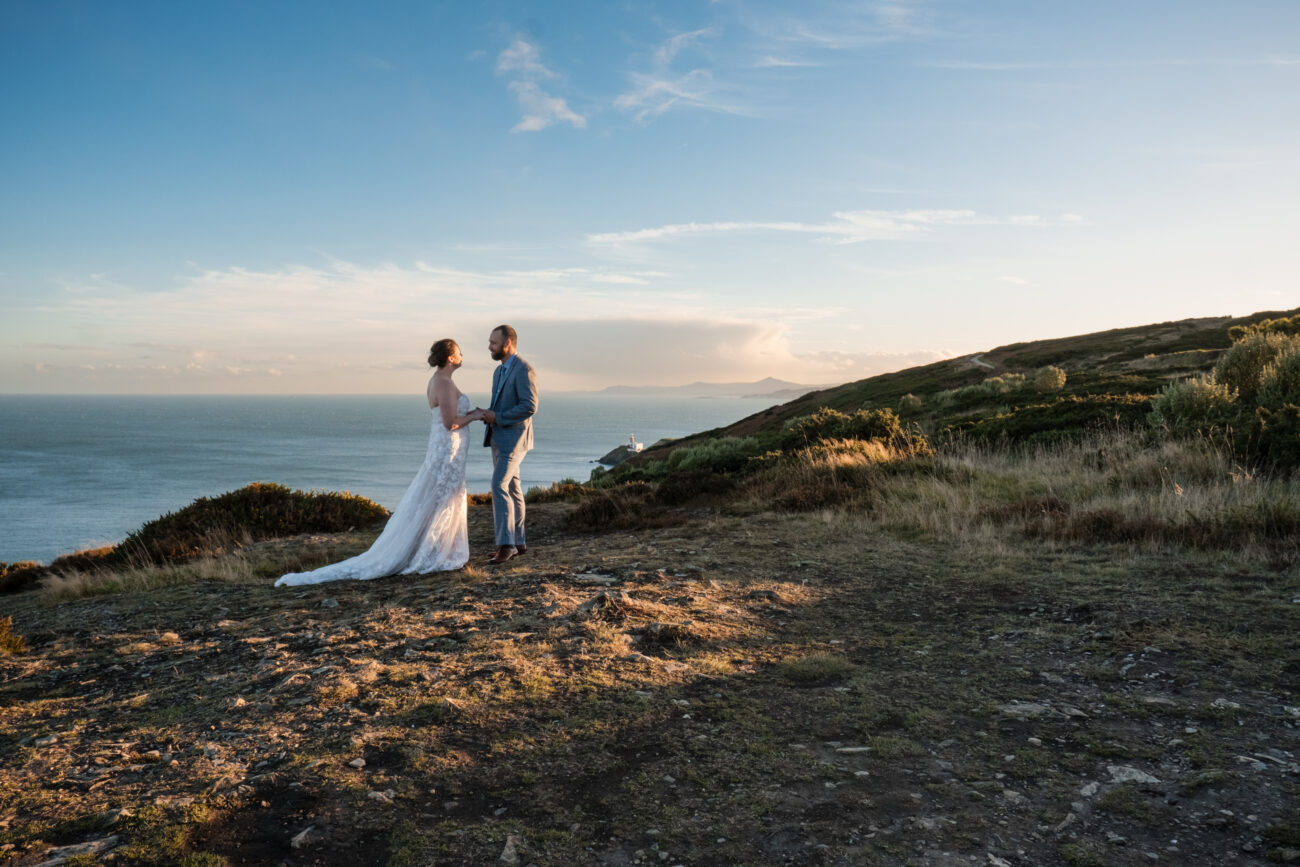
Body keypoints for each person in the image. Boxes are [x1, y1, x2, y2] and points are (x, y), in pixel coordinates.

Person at [275, 339, 483, 586]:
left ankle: (437, 547)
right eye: (459, 352)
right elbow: (451, 422)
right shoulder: (444, 382)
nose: (462, 356)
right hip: (447, 450)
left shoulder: (438, 381)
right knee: (441, 498)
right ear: (450, 357)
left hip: (444, 449)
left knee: (434, 498)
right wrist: (476, 415)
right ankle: (435, 551)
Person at [478, 324, 538, 565]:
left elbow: (529, 406)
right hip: (498, 438)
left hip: (515, 439)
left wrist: (498, 417)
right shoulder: (498, 371)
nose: (489, 346)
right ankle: (519, 541)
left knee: (498, 485)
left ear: (508, 344)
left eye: (493, 342)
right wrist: (488, 414)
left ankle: (506, 545)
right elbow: (500, 405)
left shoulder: (524, 369)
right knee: (513, 487)